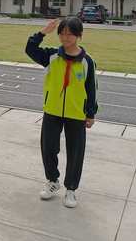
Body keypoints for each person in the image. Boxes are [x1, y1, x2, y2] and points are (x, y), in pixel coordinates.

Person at [25, 17, 98, 208]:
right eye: (62, 33)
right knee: (48, 147)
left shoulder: (87, 62)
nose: (65, 37)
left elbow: (92, 89)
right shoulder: (52, 56)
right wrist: (43, 32)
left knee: (75, 151)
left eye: (70, 33)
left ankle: (71, 188)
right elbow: (30, 49)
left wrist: (90, 113)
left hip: (76, 113)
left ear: (79, 35)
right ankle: (52, 181)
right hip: (52, 111)